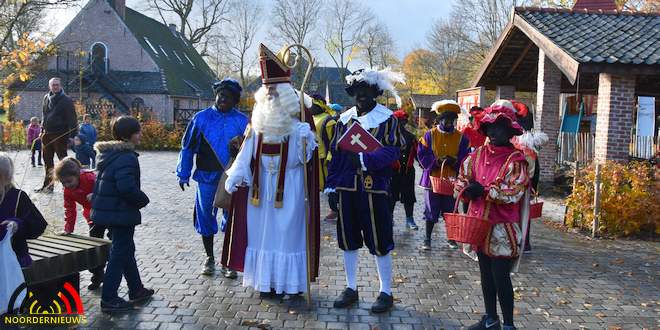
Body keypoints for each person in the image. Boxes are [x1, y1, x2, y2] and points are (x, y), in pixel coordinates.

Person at [222, 44, 320, 299]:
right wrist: (236, 173)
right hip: (260, 189)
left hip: (291, 187)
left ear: (288, 93)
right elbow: (246, 151)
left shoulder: (300, 121)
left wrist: (304, 139)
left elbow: (305, 161)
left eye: (275, 91)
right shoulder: (258, 120)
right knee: (262, 235)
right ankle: (266, 282)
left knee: (288, 235)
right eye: (268, 91)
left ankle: (292, 284)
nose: (271, 95)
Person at [326, 68, 404, 313]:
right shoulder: (344, 119)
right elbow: (336, 154)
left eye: (367, 91)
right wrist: (331, 185)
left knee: (380, 239)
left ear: (375, 93)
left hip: (374, 188)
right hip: (347, 187)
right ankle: (351, 288)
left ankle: (386, 292)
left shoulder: (387, 118)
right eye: (357, 91)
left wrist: (363, 160)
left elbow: (393, 150)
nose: (362, 96)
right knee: (348, 239)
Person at [455, 102, 529, 330]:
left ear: (510, 131)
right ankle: (490, 318)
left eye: (500, 128)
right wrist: (466, 189)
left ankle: (508, 324)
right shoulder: (476, 155)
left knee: (501, 277)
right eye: (490, 128)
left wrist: (485, 191)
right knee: (486, 275)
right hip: (478, 224)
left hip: (501, 228)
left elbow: (513, 192)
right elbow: (461, 180)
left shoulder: (516, 160)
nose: (494, 132)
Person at [176, 78, 249, 277]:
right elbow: (188, 147)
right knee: (205, 216)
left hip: (231, 178)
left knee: (230, 217)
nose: (223, 99)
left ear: (235, 100)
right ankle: (209, 258)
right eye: (220, 95)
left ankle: (228, 261)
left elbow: (250, 150)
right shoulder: (200, 118)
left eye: (228, 97)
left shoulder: (243, 121)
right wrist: (183, 172)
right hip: (206, 176)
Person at [91, 116, 154, 313]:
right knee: (119, 254)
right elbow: (126, 187)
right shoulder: (126, 157)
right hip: (119, 212)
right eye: (138, 132)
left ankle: (136, 289)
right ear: (129, 135)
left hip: (108, 211)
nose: (140, 135)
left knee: (125, 249)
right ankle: (109, 298)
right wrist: (142, 200)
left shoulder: (108, 153)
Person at [417, 100, 469, 250]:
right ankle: (427, 239)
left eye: (451, 120)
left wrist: (455, 161)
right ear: (439, 120)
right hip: (432, 180)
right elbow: (422, 154)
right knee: (430, 209)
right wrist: (436, 162)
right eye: (445, 119)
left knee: (450, 209)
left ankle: (451, 239)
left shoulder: (461, 138)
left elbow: (466, 157)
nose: (448, 123)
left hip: (452, 180)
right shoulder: (429, 135)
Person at [54, 157, 107, 290]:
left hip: (108, 212)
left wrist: (96, 194)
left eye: (69, 181)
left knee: (114, 242)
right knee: (94, 246)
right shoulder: (67, 191)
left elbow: (107, 188)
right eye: (63, 182)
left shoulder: (89, 178)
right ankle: (98, 275)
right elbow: (70, 209)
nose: (66, 185)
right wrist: (68, 229)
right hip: (93, 217)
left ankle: (114, 267)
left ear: (77, 175)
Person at [510, 100, 547, 253]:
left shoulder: (514, 147)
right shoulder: (530, 149)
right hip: (526, 185)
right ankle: (524, 243)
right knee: (524, 214)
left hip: (515, 185)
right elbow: (536, 171)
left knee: (515, 214)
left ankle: (518, 241)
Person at [0, 153, 48, 268]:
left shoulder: (18, 197)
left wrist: (17, 224)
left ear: (5, 177)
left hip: (14, 257)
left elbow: (38, 225)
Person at [36, 77, 77, 193]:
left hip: (60, 134)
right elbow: (44, 115)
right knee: (47, 160)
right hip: (47, 134)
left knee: (63, 162)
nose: (55, 87)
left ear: (60, 85)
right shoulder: (46, 97)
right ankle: (48, 186)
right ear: (50, 86)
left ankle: (69, 186)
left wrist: (73, 136)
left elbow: (72, 120)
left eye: (57, 85)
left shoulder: (66, 100)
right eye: (53, 85)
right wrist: (41, 129)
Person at [309, 94, 338, 221]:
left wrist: (331, 157)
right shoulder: (309, 119)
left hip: (325, 158)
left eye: (313, 105)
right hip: (312, 157)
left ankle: (335, 209)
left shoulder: (328, 120)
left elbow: (334, 141)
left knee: (329, 185)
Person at [390, 110, 418, 230]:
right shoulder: (389, 137)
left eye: (403, 122)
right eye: (399, 122)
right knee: (391, 196)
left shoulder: (411, 137)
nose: (401, 124)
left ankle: (409, 219)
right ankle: (389, 217)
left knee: (409, 197)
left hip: (408, 171)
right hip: (392, 172)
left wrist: (426, 166)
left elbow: (418, 154)